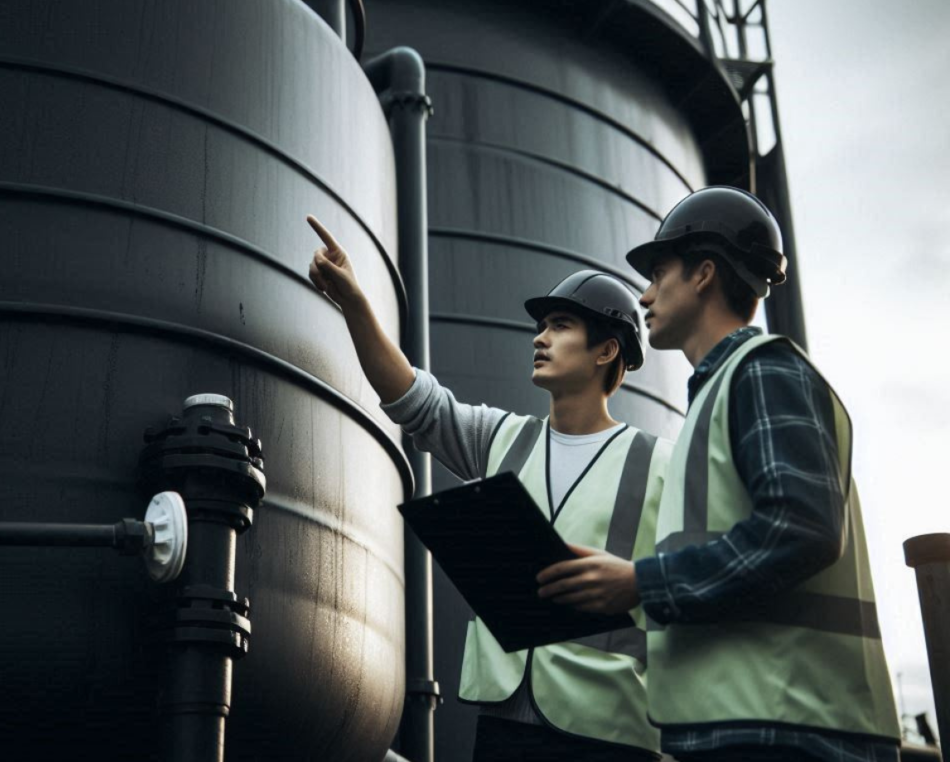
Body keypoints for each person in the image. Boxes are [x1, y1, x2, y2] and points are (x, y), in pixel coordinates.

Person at [537, 186, 901, 762]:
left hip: (786, 727)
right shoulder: (716, 399)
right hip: (742, 720)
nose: (646, 294)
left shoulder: (763, 372)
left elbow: (801, 528)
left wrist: (641, 582)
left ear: (704, 274)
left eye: (659, 274)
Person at [306, 214, 671, 762]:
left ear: (607, 351)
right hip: (501, 729)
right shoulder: (503, 438)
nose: (540, 338)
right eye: (541, 326)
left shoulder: (660, 465)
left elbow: (694, 593)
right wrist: (356, 304)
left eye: (560, 325)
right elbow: (414, 400)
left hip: (610, 737)